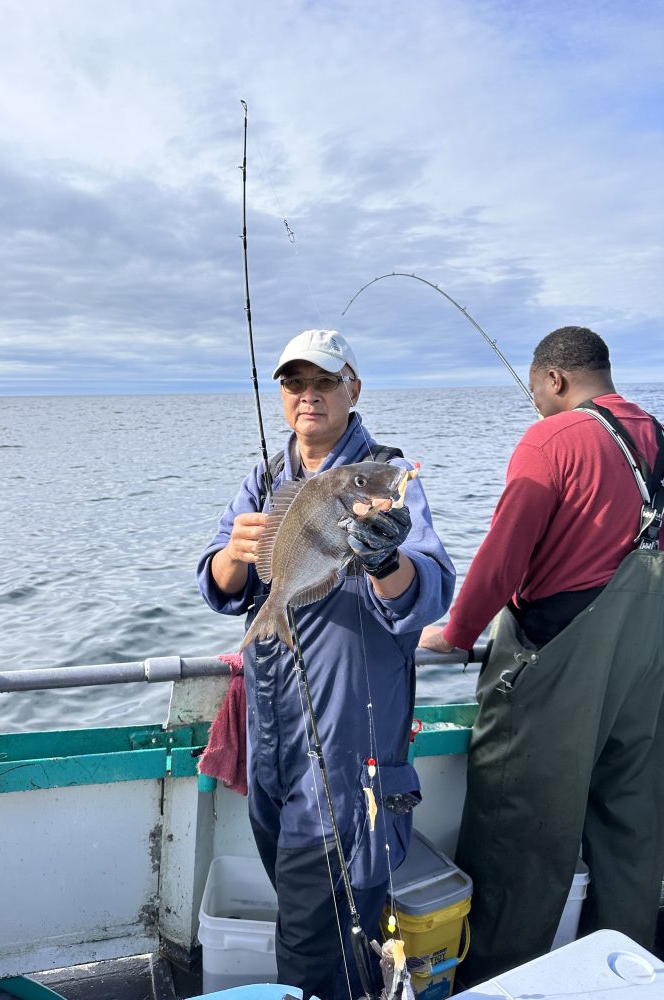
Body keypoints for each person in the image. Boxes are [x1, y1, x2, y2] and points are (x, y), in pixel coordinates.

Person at [197, 329, 455, 1000]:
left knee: (315, 951)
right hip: (273, 746)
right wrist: (236, 552)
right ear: (281, 394)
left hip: (347, 758)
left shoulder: (383, 476)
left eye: (324, 382)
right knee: (311, 924)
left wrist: (385, 559)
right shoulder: (264, 477)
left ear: (352, 390)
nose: (307, 395)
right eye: (293, 382)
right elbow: (222, 585)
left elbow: (429, 588)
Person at [419, 326, 664, 985]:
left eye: (535, 393)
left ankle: (498, 980)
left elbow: (504, 554)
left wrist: (455, 631)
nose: (535, 406)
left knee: (517, 825)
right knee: (631, 821)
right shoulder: (658, 438)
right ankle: (626, 973)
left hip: (556, 661)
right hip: (646, 666)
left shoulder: (552, 438)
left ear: (555, 379)